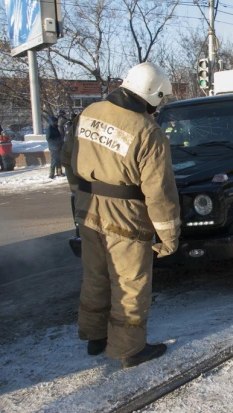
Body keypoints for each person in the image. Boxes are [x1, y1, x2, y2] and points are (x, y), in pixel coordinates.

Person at [61, 62, 181, 369]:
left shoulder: (88, 113)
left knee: (95, 275)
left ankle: (95, 337)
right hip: (125, 215)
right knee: (130, 282)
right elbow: (159, 192)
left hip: (87, 208)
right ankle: (130, 350)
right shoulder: (147, 130)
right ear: (153, 95)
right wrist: (168, 236)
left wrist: (81, 190)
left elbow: (67, 157)